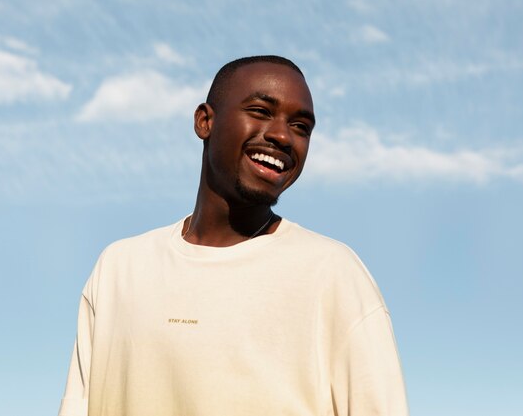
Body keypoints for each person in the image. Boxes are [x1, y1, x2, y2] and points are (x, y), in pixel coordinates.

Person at [58, 55, 408, 416]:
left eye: (301, 127)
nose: (283, 136)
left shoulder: (334, 275)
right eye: (259, 111)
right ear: (205, 121)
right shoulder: (119, 269)